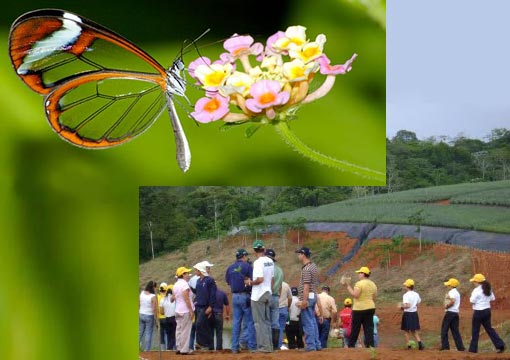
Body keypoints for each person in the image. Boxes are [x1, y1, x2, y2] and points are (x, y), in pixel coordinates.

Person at [225, 248, 256, 353]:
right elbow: (252, 281)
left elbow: (228, 281)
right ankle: (252, 347)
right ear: (244, 256)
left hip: (235, 296)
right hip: (245, 295)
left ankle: (234, 348)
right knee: (250, 322)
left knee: (236, 322)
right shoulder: (247, 266)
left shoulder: (230, 268)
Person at [468, 273, 506, 353]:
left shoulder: (476, 290)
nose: (473, 283)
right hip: (487, 310)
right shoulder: (488, 288)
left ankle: (473, 350)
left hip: (478, 311)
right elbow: (492, 298)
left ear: (477, 282)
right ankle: (500, 345)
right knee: (489, 329)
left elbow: (472, 301)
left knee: (475, 330)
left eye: (474, 281)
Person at [249, 239, 274, 352]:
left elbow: (259, 279)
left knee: (259, 322)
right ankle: (269, 346)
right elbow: (271, 279)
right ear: (264, 249)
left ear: (254, 251)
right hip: (268, 292)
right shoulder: (270, 261)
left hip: (258, 295)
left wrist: (250, 282)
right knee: (267, 321)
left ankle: (264, 347)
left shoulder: (258, 262)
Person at [343, 266, 377, 348]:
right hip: (370, 307)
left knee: (355, 328)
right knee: (369, 328)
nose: (358, 274)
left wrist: (348, 286)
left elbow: (355, 295)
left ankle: (351, 345)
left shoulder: (359, 284)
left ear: (363, 274)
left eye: (359, 273)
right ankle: (370, 346)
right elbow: (374, 296)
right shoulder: (373, 284)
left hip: (359, 309)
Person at [296, 246, 321, 351]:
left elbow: (306, 286)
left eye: (299, 254)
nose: (298, 256)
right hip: (313, 295)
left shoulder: (306, 269)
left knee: (308, 322)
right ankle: (316, 344)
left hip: (308, 297)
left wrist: (304, 301)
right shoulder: (313, 266)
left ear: (303, 255)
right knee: (312, 321)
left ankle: (311, 346)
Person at [193, 261, 217, 351]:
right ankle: (203, 344)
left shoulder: (209, 280)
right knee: (202, 325)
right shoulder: (198, 281)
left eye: (197, 270)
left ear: (201, 270)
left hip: (205, 307)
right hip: (198, 306)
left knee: (200, 324)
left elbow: (212, 294)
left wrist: (211, 307)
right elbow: (198, 293)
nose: (195, 271)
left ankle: (205, 344)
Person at [265, 248, 283, 350]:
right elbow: (280, 285)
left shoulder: (267, 268)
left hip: (267, 296)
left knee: (266, 321)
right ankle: (276, 346)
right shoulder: (280, 270)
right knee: (275, 322)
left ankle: (267, 345)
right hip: (276, 296)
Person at [173, 266, 194, 355]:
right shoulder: (184, 284)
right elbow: (186, 298)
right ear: (183, 274)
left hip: (178, 309)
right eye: (187, 273)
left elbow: (174, 297)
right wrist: (191, 310)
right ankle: (184, 349)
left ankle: (178, 347)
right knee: (185, 329)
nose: (188, 275)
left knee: (179, 329)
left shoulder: (176, 284)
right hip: (185, 310)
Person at [440, 278, 465, 351]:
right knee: (455, 331)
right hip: (455, 313)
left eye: (448, 285)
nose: (447, 286)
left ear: (451, 286)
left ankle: (445, 346)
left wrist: (447, 306)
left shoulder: (451, 292)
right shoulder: (457, 292)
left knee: (444, 329)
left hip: (450, 312)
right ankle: (460, 347)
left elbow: (452, 301)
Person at [400, 279, 424, 350]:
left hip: (407, 313)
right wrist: (415, 306)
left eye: (405, 285)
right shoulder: (416, 294)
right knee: (414, 331)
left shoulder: (406, 295)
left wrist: (401, 307)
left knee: (406, 331)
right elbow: (419, 302)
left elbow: (407, 305)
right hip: (414, 313)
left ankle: (409, 346)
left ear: (407, 286)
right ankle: (420, 344)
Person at [139, 280, 159, 352]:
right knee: (148, 332)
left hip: (141, 314)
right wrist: (156, 320)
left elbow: (139, 303)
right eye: (155, 287)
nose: (156, 289)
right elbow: (155, 309)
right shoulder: (153, 296)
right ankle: (147, 349)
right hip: (149, 315)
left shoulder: (141, 293)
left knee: (140, 331)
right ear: (153, 287)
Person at [160, 284, 177, 350]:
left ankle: (169, 348)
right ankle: (174, 347)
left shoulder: (163, 299)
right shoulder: (175, 299)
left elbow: (161, 312)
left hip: (167, 318)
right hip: (174, 318)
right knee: (174, 333)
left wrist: (167, 311)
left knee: (168, 334)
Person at [278, 281, 293, 350]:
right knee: (281, 328)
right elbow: (290, 298)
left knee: (272, 327)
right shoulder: (286, 285)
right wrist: (288, 307)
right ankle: (279, 345)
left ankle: (273, 344)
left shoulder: (271, 283)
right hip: (283, 308)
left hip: (274, 309)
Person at [157, 283, 169, 350]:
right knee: (168, 333)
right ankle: (168, 348)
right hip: (167, 317)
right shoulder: (167, 298)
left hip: (159, 318)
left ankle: (162, 349)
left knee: (161, 334)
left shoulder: (157, 297)